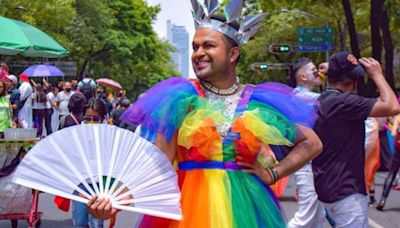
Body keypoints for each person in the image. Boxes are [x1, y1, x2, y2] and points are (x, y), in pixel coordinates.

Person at [87, 1, 322, 227]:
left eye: (208, 45)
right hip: (188, 210)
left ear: (232, 54)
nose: (198, 53)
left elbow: (311, 144)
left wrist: (273, 174)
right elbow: (158, 161)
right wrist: (117, 199)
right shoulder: (183, 98)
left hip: (248, 209)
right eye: (195, 47)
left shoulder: (256, 100)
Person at [312, 51, 400, 227]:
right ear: (355, 81)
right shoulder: (344, 103)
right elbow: (391, 106)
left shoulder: (322, 101)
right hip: (346, 193)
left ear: (329, 79)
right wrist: (377, 75)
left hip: (326, 187)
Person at [288, 57, 326, 228]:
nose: (317, 73)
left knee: (318, 216)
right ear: (303, 76)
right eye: (313, 70)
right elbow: (331, 101)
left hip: (313, 162)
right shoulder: (306, 97)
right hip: (308, 162)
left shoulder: (300, 95)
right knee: (306, 217)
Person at [71, 98, 106, 228]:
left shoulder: (109, 135)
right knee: (79, 222)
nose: (91, 122)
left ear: (102, 118)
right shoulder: (76, 134)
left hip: (100, 184)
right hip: (80, 182)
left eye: (95, 119)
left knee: (96, 222)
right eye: (87, 118)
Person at [376, 105, 400, 211]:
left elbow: (393, 132)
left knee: (391, 173)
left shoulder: (398, 117)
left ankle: (383, 199)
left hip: (398, 149)